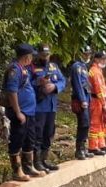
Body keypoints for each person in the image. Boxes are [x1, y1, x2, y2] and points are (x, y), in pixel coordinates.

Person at [3, 44, 42, 181]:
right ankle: (17, 169)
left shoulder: (24, 69)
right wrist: (18, 112)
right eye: (31, 56)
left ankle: (28, 166)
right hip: (21, 112)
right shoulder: (14, 70)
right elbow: (12, 92)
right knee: (17, 139)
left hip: (29, 111)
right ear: (26, 57)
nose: (32, 58)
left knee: (29, 139)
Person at [31, 44, 65, 173]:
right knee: (38, 134)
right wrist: (38, 83)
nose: (45, 57)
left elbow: (62, 80)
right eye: (43, 55)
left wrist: (55, 87)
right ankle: (36, 161)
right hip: (39, 107)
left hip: (51, 106)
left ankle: (44, 159)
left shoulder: (53, 66)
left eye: (47, 55)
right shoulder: (33, 67)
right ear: (38, 54)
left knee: (49, 133)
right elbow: (27, 83)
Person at [70, 46, 94, 160]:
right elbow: (77, 84)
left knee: (87, 123)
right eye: (85, 54)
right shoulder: (76, 67)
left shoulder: (84, 67)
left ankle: (83, 148)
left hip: (87, 97)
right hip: (81, 99)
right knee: (83, 123)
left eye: (88, 54)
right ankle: (79, 150)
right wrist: (82, 99)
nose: (87, 56)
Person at [88, 51, 106, 155]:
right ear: (96, 59)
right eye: (102, 59)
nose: (104, 61)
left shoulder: (98, 70)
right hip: (96, 101)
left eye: (105, 59)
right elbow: (98, 89)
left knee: (101, 124)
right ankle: (93, 146)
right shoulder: (95, 71)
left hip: (100, 100)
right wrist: (104, 104)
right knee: (95, 124)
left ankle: (101, 144)